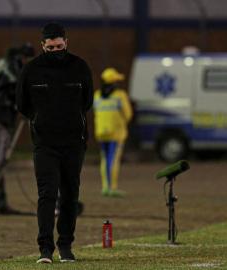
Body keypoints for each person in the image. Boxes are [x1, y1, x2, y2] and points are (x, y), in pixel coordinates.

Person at [16, 22, 93, 263]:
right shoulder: (31, 71)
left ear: (66, 43)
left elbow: (87, 101)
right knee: (47, 195)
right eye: (51, 48)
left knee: (70, 195)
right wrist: (41, 121)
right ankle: (45, 249)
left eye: (59, 46)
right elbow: (22, 104)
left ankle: (66, 245)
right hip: (45, 144)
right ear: (43, 46)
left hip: (73, 142)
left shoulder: (80, 67)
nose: (56, 51)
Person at [0, 43, 35, 215]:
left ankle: (0, 202)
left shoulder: (12, 66)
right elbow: (17, 82)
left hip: (3, 121)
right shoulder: (7, 65)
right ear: (22, 58)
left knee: (1, 162)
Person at [93, 67, 133, 197]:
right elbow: (128, 115)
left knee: (105, 160)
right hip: (116, 134)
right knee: (113, 160)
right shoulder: (120, 96)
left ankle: (105, 187)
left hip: (101, 133)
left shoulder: (97, 95)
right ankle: (112, 188)